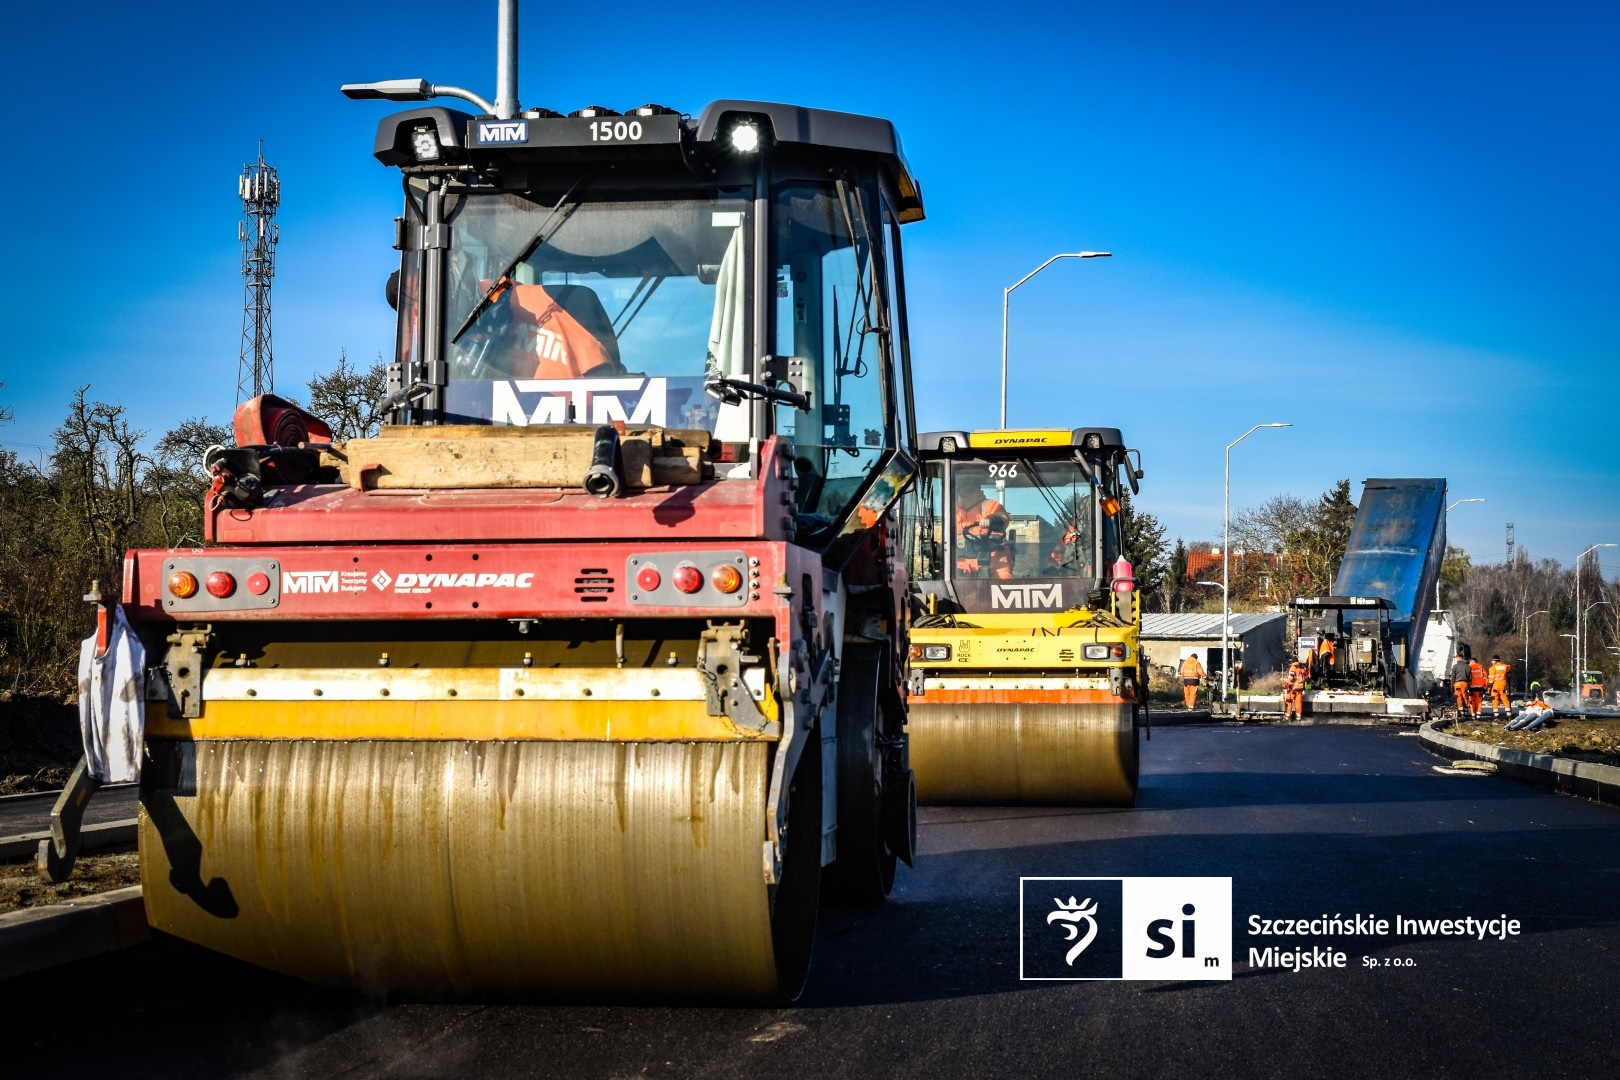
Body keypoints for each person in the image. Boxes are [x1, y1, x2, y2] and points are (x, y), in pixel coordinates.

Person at [955, 485, 1012, 579]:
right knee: (958, 576)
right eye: (963, 489)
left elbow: (1002, 518)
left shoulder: (990, 505)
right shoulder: (954, 511)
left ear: (977, 490)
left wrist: (991, 519)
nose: (966, 493)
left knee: (1004, 578)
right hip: (963, 558)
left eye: (970, 489)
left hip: (994, 556)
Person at [1486, 655, 1513, 719]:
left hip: (1495, 686)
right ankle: (1508, 713)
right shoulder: (1504, 666)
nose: (1491, 662)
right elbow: (1509, 667)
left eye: (1492, 660)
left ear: (1494, 660)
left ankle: (1496, 715)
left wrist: (1489, 688)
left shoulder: (1492, 668)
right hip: (1503, 685)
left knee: (1494, 699)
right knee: (1505, 699)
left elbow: (1491, 679)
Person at [1449, 650, 1473, 718]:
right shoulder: (1467, 666)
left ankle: (1461, 711)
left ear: (1459, 658)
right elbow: (1470, 677)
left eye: (1456, 658)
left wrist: (1452, 685)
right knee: (1465, 697)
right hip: (1465, 683)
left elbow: (1453, 676)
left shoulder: (1455, 666)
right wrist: (1468, 684)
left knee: (1458, 697)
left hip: (1457, 684)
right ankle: (1466, 710)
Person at [1467, 655, 1488, 719]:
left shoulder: (1468, 668)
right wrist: (1485, 687)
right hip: (1480, 688)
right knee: (1479, 702)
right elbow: (1485, 678)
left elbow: (1466, 678)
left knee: (1471, 702)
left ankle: (1473, 714)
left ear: (1471, 662)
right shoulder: (1481, 669)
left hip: (1471, 688)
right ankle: (1478, 714)